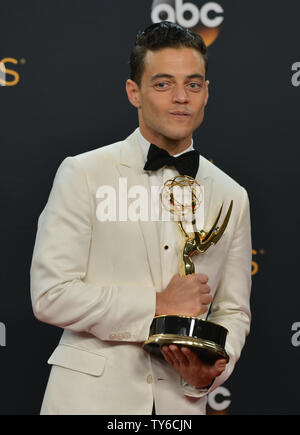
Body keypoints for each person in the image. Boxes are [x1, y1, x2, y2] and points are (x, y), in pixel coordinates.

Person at [30, 22, 252, 415]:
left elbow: (232, 311)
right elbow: (51, 295)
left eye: (194, 84)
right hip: (87, 402)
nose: (181, 98)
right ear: (135, 92)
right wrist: (158, 304)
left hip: (180, 406)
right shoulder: (84, 173)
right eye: (163, 84)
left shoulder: (231, 195)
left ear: (206, 93)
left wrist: (212, 370)